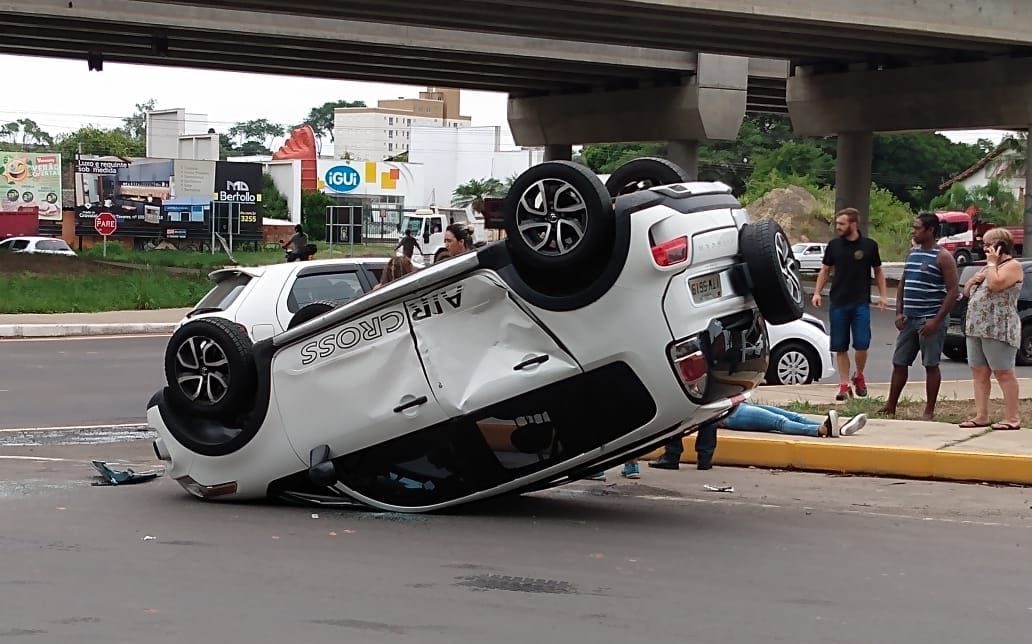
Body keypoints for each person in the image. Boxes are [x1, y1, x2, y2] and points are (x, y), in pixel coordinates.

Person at [878, 213, 959, 420]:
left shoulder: (943, 257)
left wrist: (936, 320)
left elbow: (952, 291)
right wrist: (899, 312)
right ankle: (890, 405)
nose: (913, 231)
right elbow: (904, 283)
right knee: (899, 362)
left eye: (917, 228)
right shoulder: (912, 253)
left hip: (930, 319)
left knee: (930, 364)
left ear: (930, 230)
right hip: (909, 319)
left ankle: (929, 410)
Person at [647, 402, 868, 471]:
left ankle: (829, 427)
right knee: (779, 422)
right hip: (733, 413)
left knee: (791, 415)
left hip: (736, 405)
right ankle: (820, 430)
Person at [812, 207, 889, 401]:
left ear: (853, 224)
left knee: (862, 344)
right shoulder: (833, 245)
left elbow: (878, 271)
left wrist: (883, 295)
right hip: (838, 302)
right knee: (840, 346)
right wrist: (817, 292)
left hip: (860, 302)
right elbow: (825, 270)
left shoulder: (870, 246)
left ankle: (859, 375)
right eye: (837, 223)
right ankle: (844, 385)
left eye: (842, 224)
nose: (838, 227)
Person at [959, 228, 1024, 430]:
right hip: (977, 326)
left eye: (989, 244)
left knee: (1003, 372)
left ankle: (1012, 417)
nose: (985, 248)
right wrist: (971, 281)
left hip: (998, 326)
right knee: (979, 372)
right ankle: (981, 415)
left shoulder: (1012, 266)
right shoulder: (988, 267)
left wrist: (992, 264)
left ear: (1001, 246)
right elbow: (969, 293)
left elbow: (996, 285)